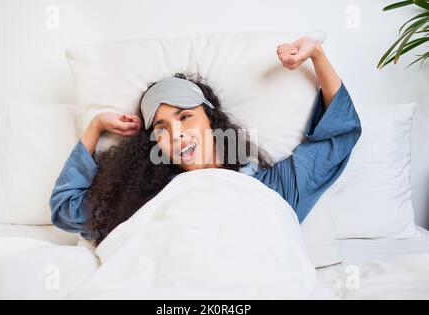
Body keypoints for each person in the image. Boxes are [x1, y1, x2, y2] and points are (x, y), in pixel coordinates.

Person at [49, 36, 362, 246]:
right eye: (161, 128)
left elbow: (340, 136)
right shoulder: (143, 200)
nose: (176, 134)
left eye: (185, 117)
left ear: (211, 121)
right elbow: (65, 210)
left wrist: (317, 55)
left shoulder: (271, 186)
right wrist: (94, 128)